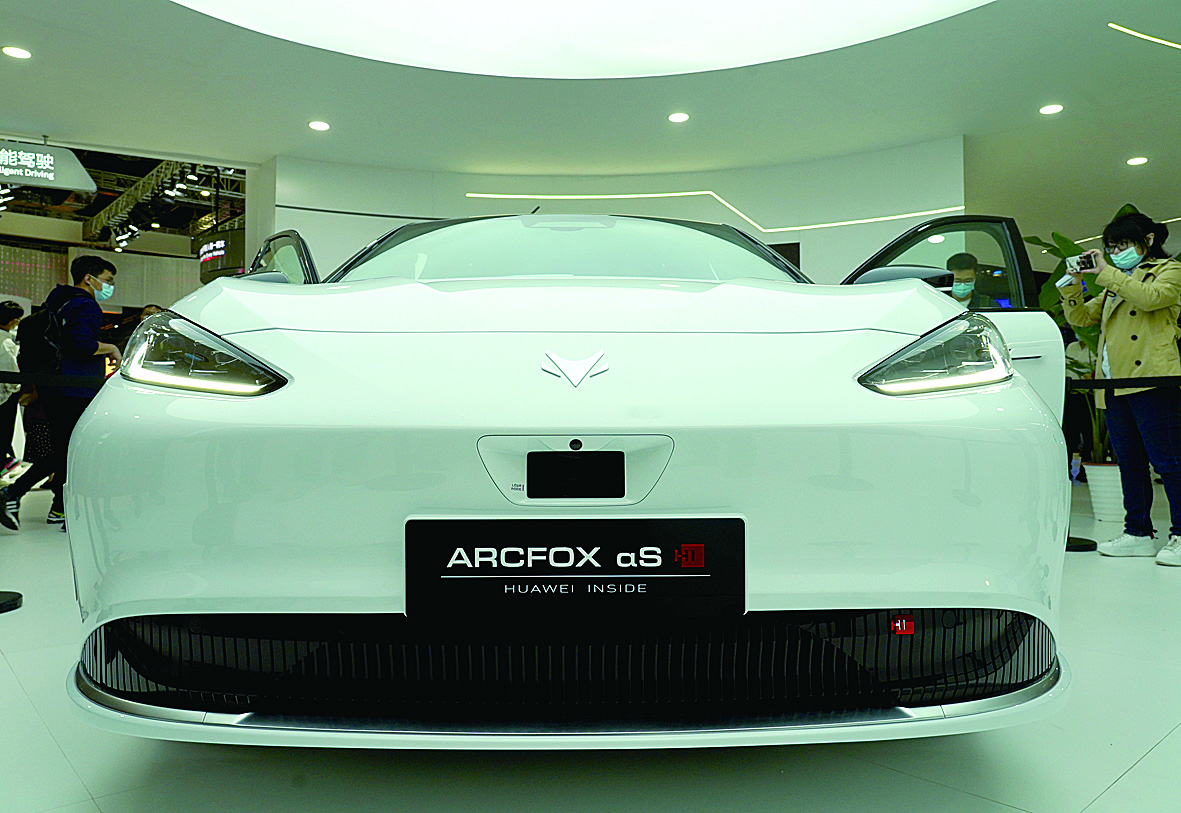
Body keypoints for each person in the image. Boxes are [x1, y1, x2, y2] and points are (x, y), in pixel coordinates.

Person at [1058, 211, 1181, 565]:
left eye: (1122, 245)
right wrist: (1072, 284)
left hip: (1153, 379)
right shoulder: (1116, 283)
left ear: (1149, 240)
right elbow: (1082, 318)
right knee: (1130, 463)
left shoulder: (1169, 271)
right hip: (1115, 383)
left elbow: (1151, 298)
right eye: (1111, 247)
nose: (1116, 253)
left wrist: (1107, 272)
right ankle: (1138, 533)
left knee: (1169, 462)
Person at [0, 256, 122, 531]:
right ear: (89, 278)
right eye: (107, 280)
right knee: (70, 449)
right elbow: (81, 344)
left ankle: (58, 507)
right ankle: (13, 493)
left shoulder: (57, 302)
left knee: (64, 448)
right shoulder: (86, 304)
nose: (110, 286)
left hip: (53, 384)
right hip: (75, 386)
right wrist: (111, 348)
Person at [0, 301, 22, 476]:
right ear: (13, 320)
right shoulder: (6, 342)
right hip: (4, 396)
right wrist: (17, 388)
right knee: (4, 430)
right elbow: (11, 372)